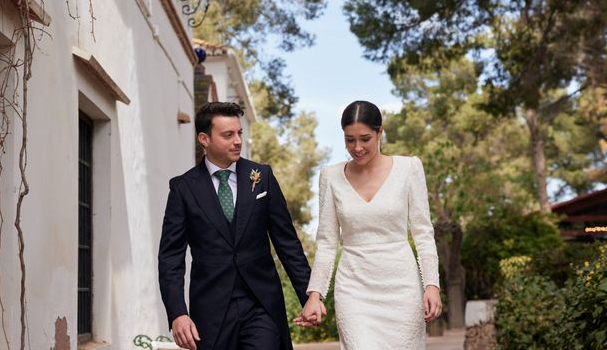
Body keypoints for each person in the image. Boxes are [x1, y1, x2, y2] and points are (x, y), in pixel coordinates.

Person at [158, 102, 324, 350]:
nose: (238, 141)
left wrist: (310, 295)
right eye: (228, 135)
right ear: (204, 138)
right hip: (211, 311)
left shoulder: (262, 176)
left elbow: (287, 243)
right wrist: (177, 313)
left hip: (261, 305)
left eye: (239, 133)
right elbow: (171, 257)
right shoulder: (183, 188)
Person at [296, 100, 442, 349]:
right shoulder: (330, 176)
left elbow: (423, 233)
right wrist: (314, 295)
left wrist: (432, 286)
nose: (357, 147)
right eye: (350, 140)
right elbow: (327, 242)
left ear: (380, 132)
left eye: (365, 138)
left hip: (402, 289)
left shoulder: (409, 169)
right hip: (354, 290)